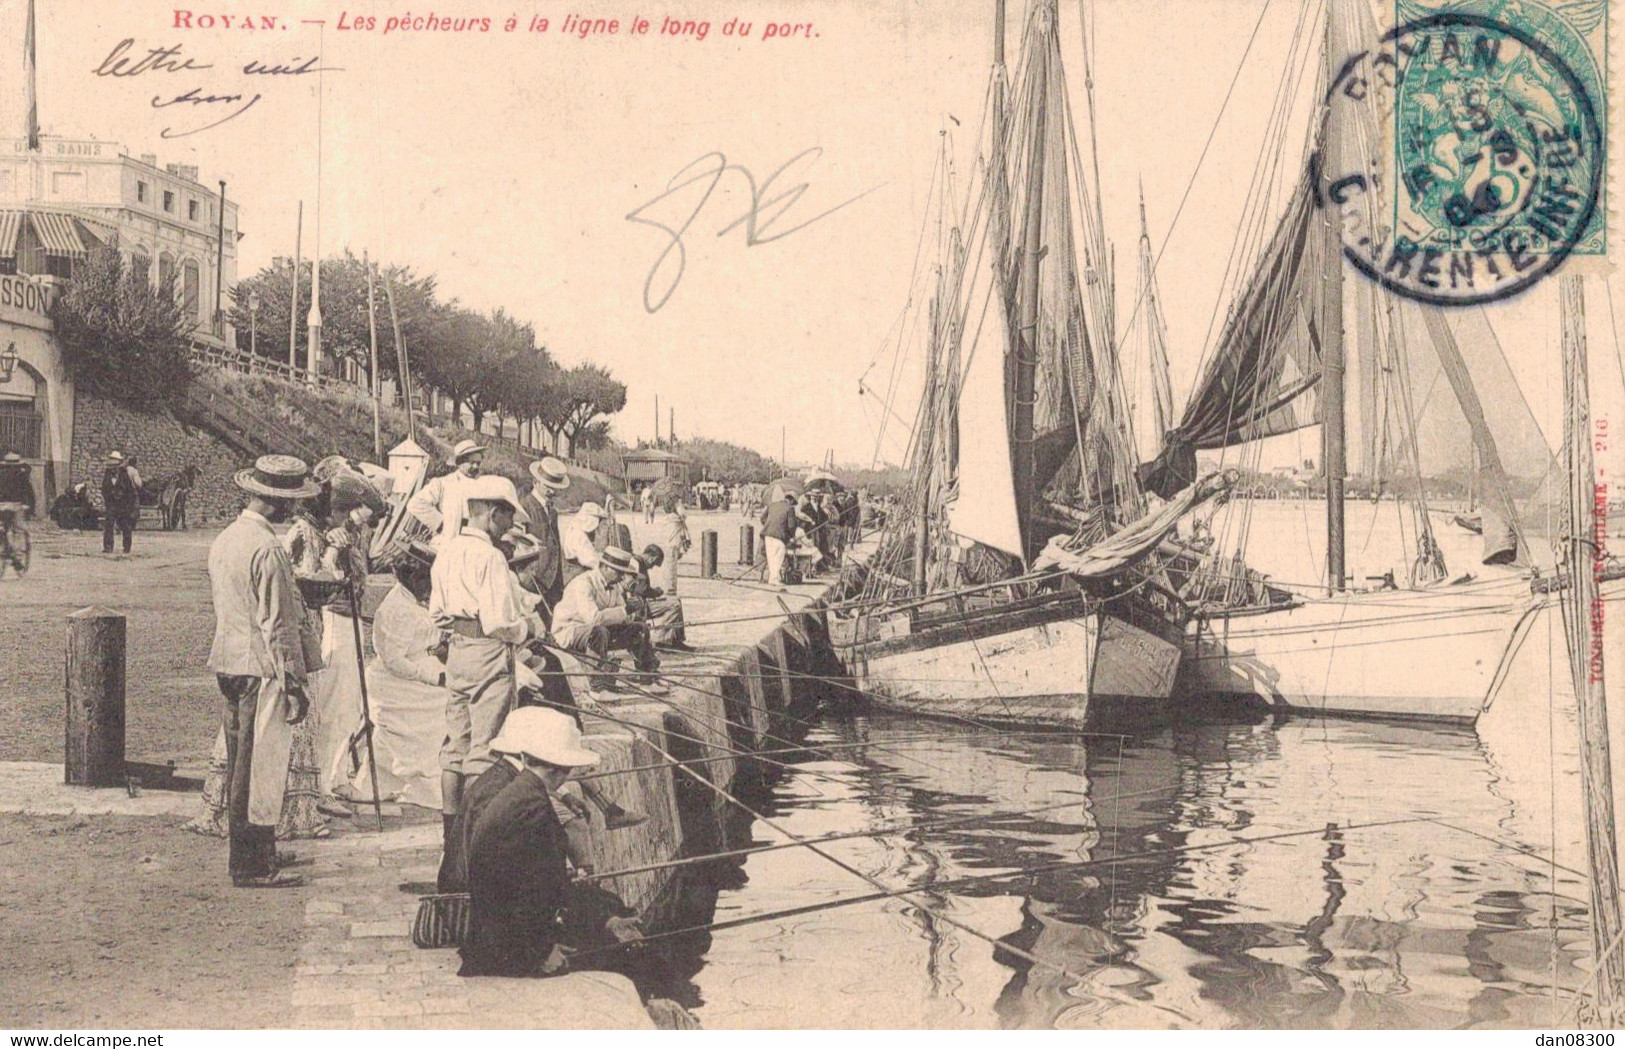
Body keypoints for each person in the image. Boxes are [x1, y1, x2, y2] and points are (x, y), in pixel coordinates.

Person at [204, 454, 322, 888]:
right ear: (277, 504)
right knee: (260, 767)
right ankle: (250, 864)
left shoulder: (226, 539)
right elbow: (277, 626)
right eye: (291, 500)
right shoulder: (268, 549)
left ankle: (259, 848)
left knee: (240, 761)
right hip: (262, 668)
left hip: (229, 659)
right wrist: (295, 684)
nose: (294, 508)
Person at [456, 707, 640, 978]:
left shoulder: (523, 793)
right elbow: (523, 891)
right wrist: (542, 951)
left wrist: (606, 919)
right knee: (620, 956)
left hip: (503, 935)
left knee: (606, 925)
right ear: (562, 770)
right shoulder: (533, 804)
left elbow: (529, 881)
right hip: (505, 945)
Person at [430, 475, 544, 886]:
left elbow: (437, 613)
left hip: (457, 649)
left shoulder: (446, 550)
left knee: (454, 747)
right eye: (507, 517)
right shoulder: (492, 558)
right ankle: (473, 846)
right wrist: (526, 628)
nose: (508, 526)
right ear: (494, 513)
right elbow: (498, 621)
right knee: (485, 750)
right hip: (487, 651)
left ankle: (449, 845)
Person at [353, 542, 448, 811]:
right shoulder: (397, 608)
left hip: (420, 670)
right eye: (427, 581)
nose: (430, 588)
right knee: (444, 704)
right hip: (395, 681)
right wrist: (432, 676)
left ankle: (434, 778)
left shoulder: (412, 600)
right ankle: (419, 784)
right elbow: (394, 661)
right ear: (413, 577)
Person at [550, 546, 665, 699]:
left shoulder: (614, 584)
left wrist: (632, 611)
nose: (621, 577)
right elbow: (594, 618)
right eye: (618, 572)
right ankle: (596, 687)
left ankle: (647, 677)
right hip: (570, 630)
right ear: (604, 567)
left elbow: (621, 615)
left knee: (639, 628)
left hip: (599, 630)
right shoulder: (583, 584)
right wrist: (625, 610)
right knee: (598, 632)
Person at [407, 439, 527, 551]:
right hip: (448, 540)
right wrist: (442, 524)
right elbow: (415, 504)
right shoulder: (442, 483)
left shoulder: (483, 485)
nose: (475, 467)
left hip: (476, 541)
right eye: (471, 463)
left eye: (478, 463)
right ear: (459, 462)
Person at [516, 457, 570, 618]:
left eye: (555, 488)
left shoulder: (552, 511)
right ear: (536, 482)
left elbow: (555, 544)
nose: (552, 491)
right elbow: (517, 545)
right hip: (532, 581)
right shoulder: (524, 506)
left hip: (553, 581)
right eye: (548, 486)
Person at [633, 545, 691, 651]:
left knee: (676, 600)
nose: (652, 567)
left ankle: (676, 639)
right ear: (650, 556)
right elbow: (641, 590)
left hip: (642, 602)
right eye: (654, 563)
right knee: (674, 605)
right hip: (638, 606)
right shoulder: (637, 564)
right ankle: (661, 640)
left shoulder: (639, 563)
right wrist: (656, 592)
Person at [101, 450, 139, 555]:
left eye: (114, 465)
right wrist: (108, 500)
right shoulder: (107, 474)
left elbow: (130, 491)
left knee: (125, 525)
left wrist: (128, 505)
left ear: (118, 465)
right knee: (108, 525)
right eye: (110, 465)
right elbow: (104, 488)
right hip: (111, 505)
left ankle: (126, 547)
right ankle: (108, 547)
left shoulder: (124, 474)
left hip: (122, 505)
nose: (112, 468)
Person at [559, 501, 606, 583]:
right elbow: (590, 560)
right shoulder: (579, 535)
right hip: (577, 574)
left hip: (570, 572)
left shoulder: (573, 529)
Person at [761, 491, 796, 590]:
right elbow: (791, 526)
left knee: (771, 557)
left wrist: (769, 526)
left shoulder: (772, 505)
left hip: (768, 534)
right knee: (778, 557)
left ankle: (772, 579)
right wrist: (791, 537)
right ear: (792, 500)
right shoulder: (789, 508)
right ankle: (775, 579)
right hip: (779, 535)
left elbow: (762, 518)